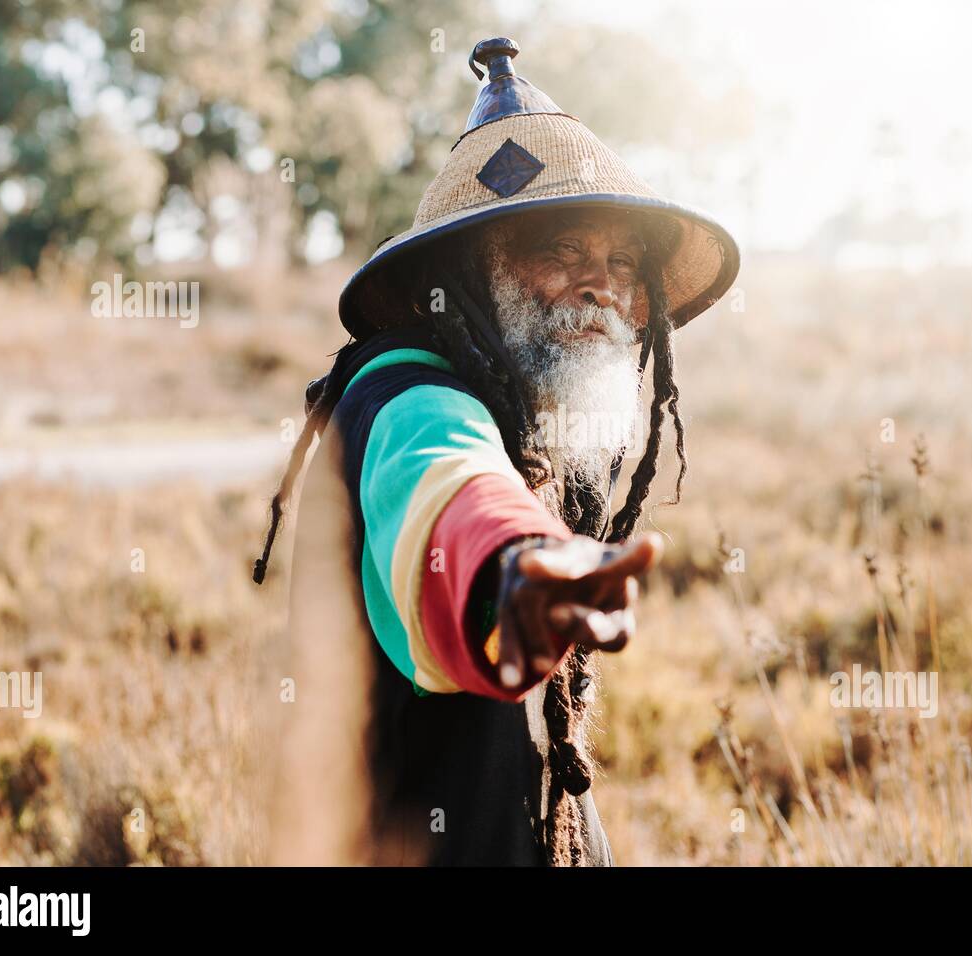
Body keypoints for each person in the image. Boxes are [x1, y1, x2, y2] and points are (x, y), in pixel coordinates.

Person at [258, 37, 739, 866]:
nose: (603, 284)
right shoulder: (408, 397)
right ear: (468, 269)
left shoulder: (528, 420)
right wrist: (511, 571)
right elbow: (451, 492)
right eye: (562, 249)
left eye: (623, 260)